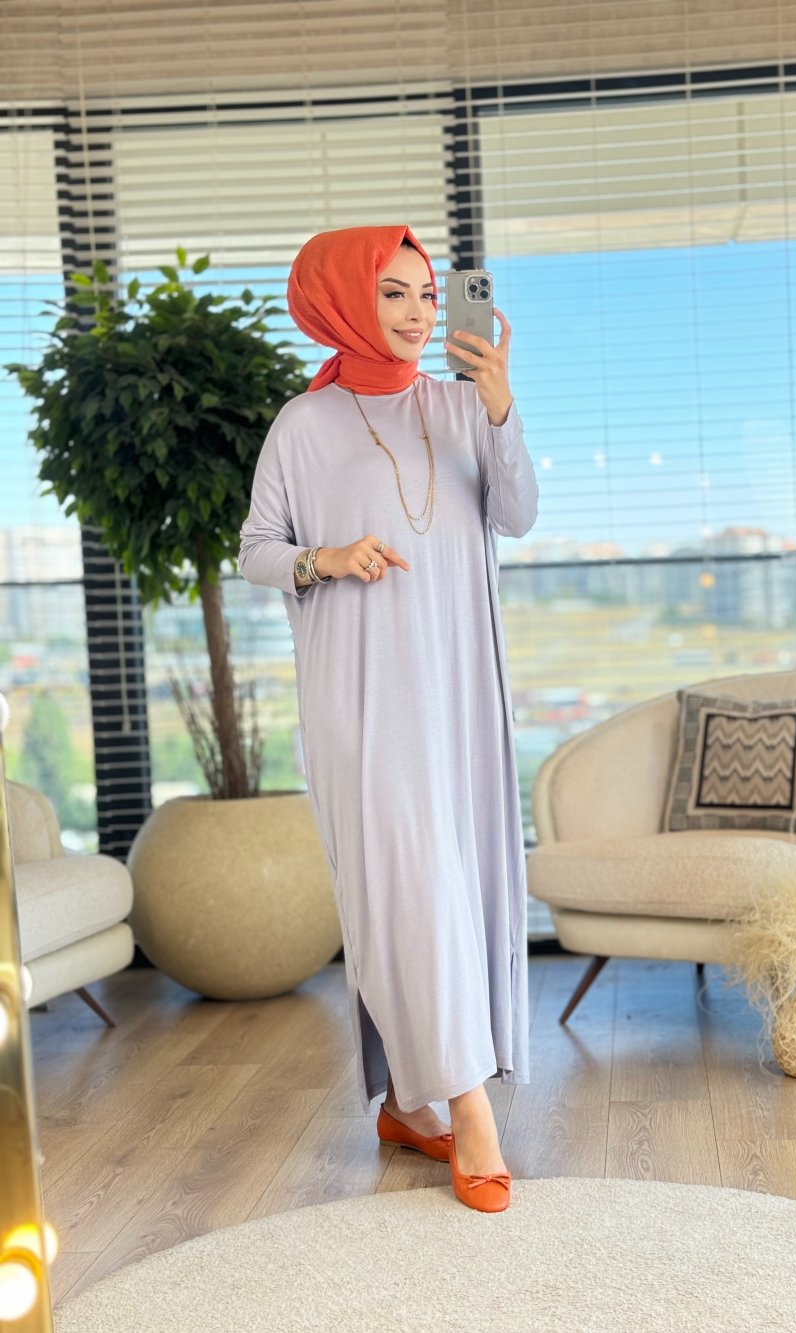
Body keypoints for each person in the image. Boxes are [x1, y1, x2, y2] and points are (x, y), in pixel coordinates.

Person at [238, 226, 538, 1213]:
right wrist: (325, 558)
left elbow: (518, 512)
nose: (417, 313)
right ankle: (472, 1114)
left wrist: (500, 405)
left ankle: (412, 1105)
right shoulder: (304, 424)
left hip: (457, 689)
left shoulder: (459, 404)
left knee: (453, 885)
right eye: (393, 294)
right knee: (409, 888)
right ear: (342, 302)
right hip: (361, 694)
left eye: (426, 294)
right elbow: (256, 548)